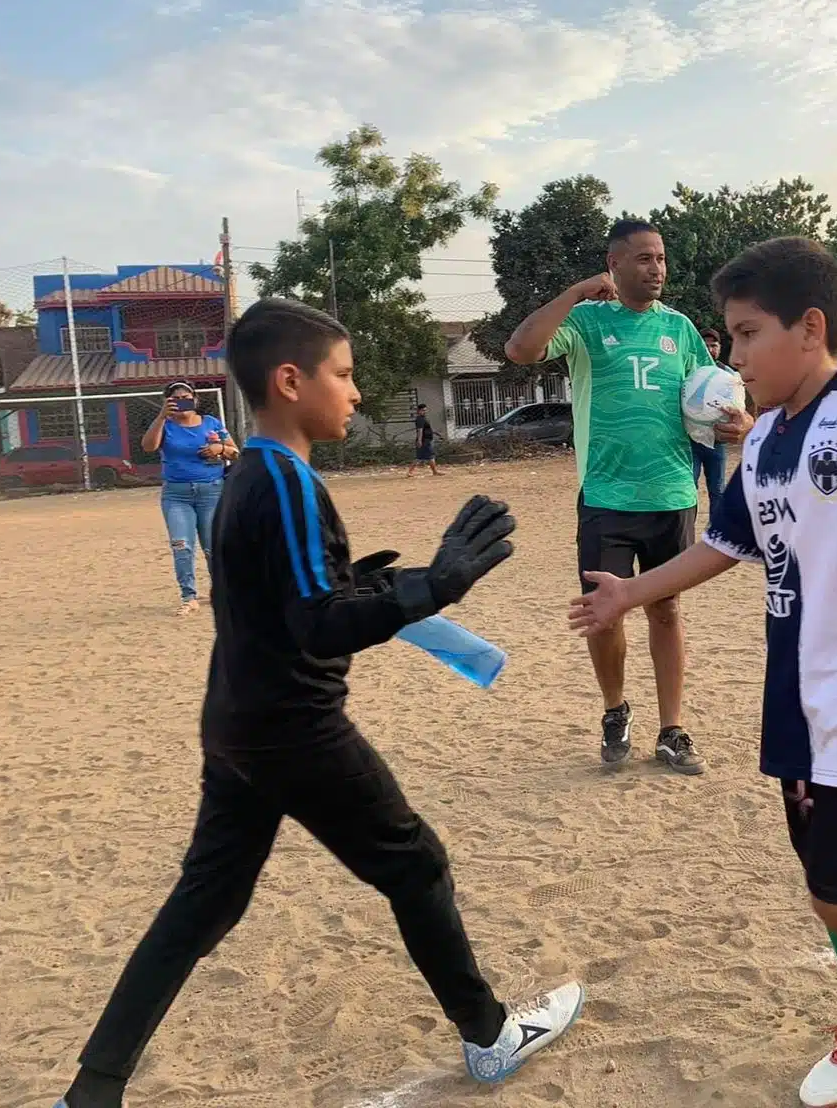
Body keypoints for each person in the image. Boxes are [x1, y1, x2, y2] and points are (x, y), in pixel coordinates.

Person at [53, 299, 581, 1108]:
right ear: (290, 380)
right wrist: (430, 586)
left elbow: (293, 599)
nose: (356, 392)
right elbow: (319, 627)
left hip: (235, 724)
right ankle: (489, 1038)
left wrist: (372, 582)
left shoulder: (248, 474)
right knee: (418, 865)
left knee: (206, 902)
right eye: (343, 374)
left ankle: (91, 1093)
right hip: (293, 730)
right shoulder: (289, 480)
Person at [570, 236, 837, 1108]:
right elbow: (724, 546)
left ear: (810, 328)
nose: (731, 357)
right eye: (726, 337)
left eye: (746, 334)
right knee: (824, 880)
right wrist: (628, 593)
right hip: (797, 700)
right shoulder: (760, 445)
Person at [504, 219, 752, 774]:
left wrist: (738, 424)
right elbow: (521, 349)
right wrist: (572, 293)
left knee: (666, 608)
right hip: (606, 497)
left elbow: (715, 399)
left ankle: (672, 729)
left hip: (670, 493)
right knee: (605, 615)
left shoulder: (681, 330)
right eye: (643, 258)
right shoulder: (586, 322)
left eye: (660, 258)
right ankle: (615, 710)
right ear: (614, 265)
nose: (657, 268)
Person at [142, 380, 237, 615]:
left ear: (195, 399)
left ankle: (222, 594)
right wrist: (162, 417)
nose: (182, 401)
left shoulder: (212, 423)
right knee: (181, 545)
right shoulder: (166, 425)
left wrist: (220, 449)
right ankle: (189, 595)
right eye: (176, 398)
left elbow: (236, 452)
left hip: (212, 491)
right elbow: (148, 447)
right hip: (177, 494)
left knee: (213, 546)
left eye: (187, 396)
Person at [691, 327, 730, 513]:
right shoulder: (690, 372)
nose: (709, 350)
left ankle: (715, 534)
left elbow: (741, 402)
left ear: (720, 348)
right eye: (705, 346)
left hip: (717, 442)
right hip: (692, 442)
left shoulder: (728, 374)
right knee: (690, 490)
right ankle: (688, 531)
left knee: (718, 490)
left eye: (713, 345)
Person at [407, 402, 442, 477]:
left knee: (421, 457)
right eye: (423, 410)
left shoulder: (423, 418)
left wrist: (435, 433)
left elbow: (427, 429)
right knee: (429, 456)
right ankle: (435, 472)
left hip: (427, 440)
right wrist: (419, 441)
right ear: (419, 411)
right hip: (425, 440)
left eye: (425, 410)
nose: (424, 412)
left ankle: (410, 472)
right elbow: (420, 430)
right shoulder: (420, 419)